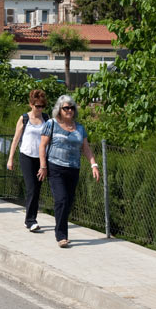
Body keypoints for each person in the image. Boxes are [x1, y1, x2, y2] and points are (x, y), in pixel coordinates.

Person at [38, 95, 101, 248]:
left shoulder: (79, 128)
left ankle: (61, 228)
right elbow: (42, 146)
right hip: (55, 167)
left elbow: (85, 148)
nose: (69, 110)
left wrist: (94, 164)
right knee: (61, 199)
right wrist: (43, 166)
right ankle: (61, 235)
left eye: (72, 108)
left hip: (73, 169)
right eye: (66, 108)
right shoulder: (51, 124)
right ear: (59, 110)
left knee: (68, 202)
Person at [7, 89, 49, 232]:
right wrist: (10, 158)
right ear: (31, 104)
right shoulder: (24, 118)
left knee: (37, 189)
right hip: (26, 156)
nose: (40, 109)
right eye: (37, 106)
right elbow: (16, 139)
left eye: (42, 106)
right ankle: (31, 220)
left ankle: (30, 218)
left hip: (41, 158)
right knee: (31, 187)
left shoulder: (46, 119)